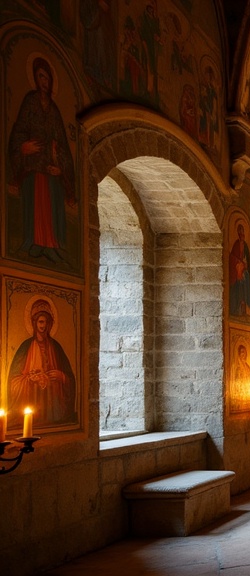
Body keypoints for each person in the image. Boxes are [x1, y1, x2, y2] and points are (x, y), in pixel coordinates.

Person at [7, 56, 76, 266]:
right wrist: (23, 147)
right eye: (40, 77)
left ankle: (52, 245)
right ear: (36, 78)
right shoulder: (30, 101)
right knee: (36, 201)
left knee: (51, 204)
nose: (43, 82)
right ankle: (33, 242)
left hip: (51, 167)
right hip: (33, 164)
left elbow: (63, 145)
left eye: (46, 78)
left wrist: (59, 165)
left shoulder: (54, 110)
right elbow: (18, 130)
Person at [8, 299, 77, 428]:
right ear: (34, 323)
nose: (43, 325)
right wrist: (29, 379)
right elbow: (13, 382)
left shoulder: (56, 347)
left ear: (50, 324)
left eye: (46, 322)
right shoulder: (25, 347)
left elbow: (71, 379)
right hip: (32, 404)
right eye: (40, 321)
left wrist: (61, 377)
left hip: (54, 410)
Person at [229, 224, 250, 317]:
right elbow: (232, 256)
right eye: (240, 232)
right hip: (237, 271)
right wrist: (238, 262)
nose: (242, 234)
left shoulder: (246, 245)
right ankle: (237, 309)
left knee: (245, 288)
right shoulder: (236, 244)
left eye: (243, 232)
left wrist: (245, 266)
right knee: (238, 289)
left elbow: (248, 259)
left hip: (244, 271)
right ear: (238, 233)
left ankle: (244, 310)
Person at [233, 344, 250, 409]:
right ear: (239, 354)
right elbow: (237, 384)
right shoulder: (238, 368)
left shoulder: (248, 367)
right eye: (242, 352)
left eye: (245, 352)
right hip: (240, 398)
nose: (244, 354)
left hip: (248, 398)